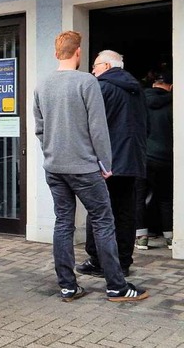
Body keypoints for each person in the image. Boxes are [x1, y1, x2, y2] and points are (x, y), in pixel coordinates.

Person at [33, 31, 148, 303]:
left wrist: (51, 151)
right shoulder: (87, 82)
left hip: (54, 166)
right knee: (103, 221)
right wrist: (105, 163)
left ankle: (68, 287)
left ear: (55, 53)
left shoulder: (42, 85)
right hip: (83, 166)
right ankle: (116, 287)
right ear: (78, 53)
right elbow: (98, 129)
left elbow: (39, 128)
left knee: (63, 223)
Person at [75, 50, 147, 277]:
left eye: (95, 66)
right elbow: (147, 126)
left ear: (106, 66)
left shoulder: (102, 88)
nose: (92, 71)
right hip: (132, 160)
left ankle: (97, 260)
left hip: (107, 163)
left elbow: (92, 127)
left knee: (98, 211)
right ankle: (123, 262)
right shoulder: (137, 90)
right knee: (125, 212)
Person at [136, 70, 173, 249]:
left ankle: (142, 237)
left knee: (139, 196)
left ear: (153, 85)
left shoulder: (140, 102)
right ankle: (170, 237)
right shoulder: (174, 103)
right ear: (171, 86)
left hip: (143, 156)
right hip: (166, 157)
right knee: (166, 197)